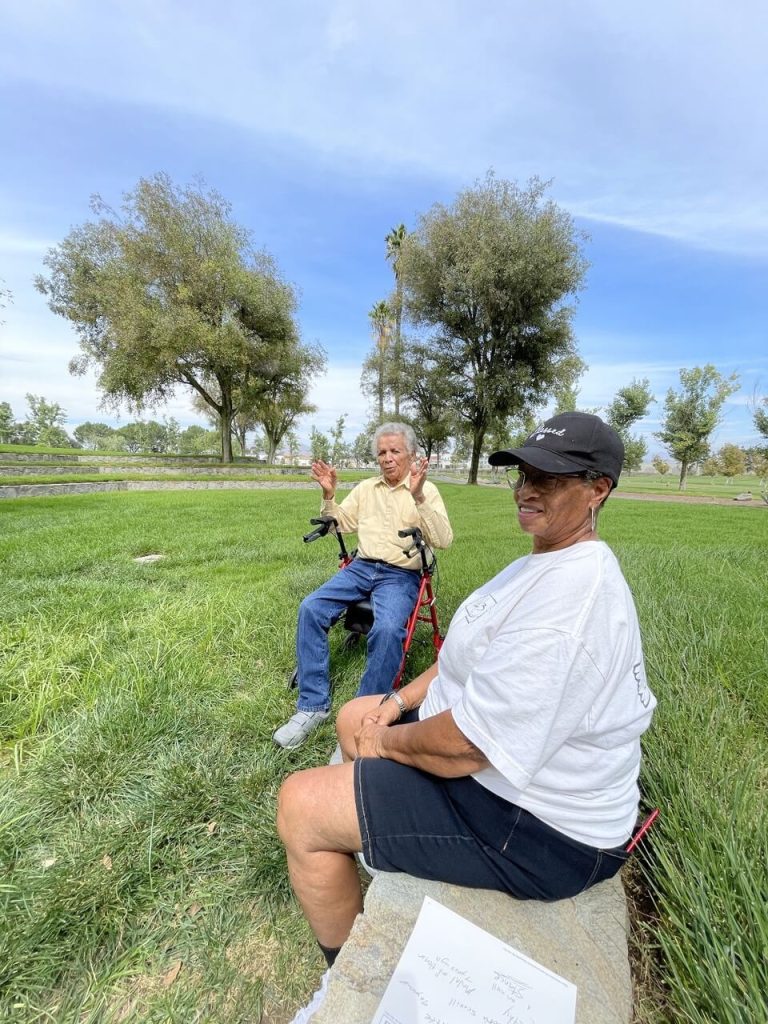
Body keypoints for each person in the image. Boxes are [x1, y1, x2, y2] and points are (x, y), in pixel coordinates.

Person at [276, 412, 656, 980]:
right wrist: (397, 702)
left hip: (538, 824)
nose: (526, 490)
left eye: (547, 479)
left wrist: (387, 742)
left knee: (301, 804)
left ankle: (350, 978)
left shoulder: (570, 607)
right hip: (491, 760)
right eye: (523, 475)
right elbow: (462, 654)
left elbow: (467, 747)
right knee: (358, 711)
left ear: (598, 489)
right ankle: (384, 832)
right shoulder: (545, 560)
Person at [273, 422, 453, 749]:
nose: (387, 458)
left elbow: (444, 540)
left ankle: (361, 716)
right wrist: (329, 495)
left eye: (395, 451)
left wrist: (419, 497)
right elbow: (338, 523)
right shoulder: (367, 488)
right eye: (382, 452)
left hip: (400, 574)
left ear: (411, 455)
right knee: (311, 607)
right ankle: (313, 705)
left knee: (386, 630)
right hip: (362, 566)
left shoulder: (425, 490)